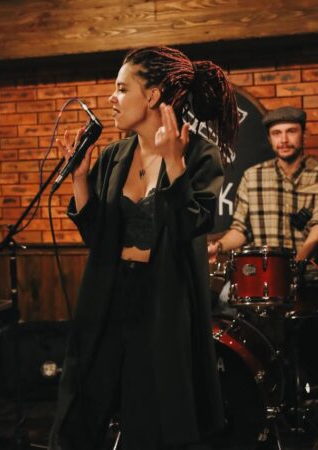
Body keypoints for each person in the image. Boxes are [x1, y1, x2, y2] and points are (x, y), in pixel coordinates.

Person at [49, 46, 239, 450]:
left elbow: (192, 224)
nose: (111, 99)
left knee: (151, 419)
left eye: (121, 89)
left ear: (152, 96)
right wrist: (80, 179)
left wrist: (174, 165)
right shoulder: (113, 155)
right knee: (79, 408)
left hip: (162, 303)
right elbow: (96, 235)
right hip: (108, 293)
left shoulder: (199, 154)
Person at [208, 106, 318, 267]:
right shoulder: (252, 176)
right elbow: (240, 230)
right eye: (276, 133)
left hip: (308, 272)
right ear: (269, 138)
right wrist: (218, 246)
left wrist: (294, 268)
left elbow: (317, 232)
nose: (283, 140)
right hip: (263, 272)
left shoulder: (317, 174)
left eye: (291, 131)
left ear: (304, 135)